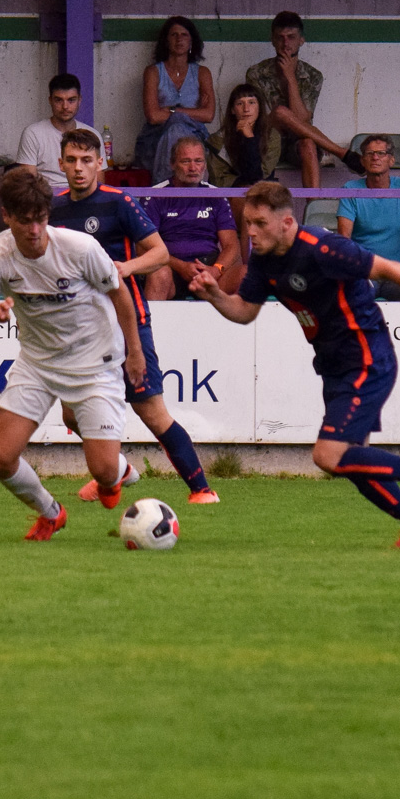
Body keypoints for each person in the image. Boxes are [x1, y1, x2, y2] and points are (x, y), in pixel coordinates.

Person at [189, 181, 400, 546]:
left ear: (286, 222)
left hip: (366, 358)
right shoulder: (265, 261)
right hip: (333, 366)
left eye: (260, 223)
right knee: (355, 460)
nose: (251, 231)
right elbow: (245, 311)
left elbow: (390, 269)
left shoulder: (323, 248)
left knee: (329, 455)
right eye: (248, 222)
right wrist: (215, 295)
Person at [0, 167, 146, 539]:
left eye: (40, 219)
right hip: (38, 364)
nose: (34, 230)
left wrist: (135, 352)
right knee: (1, 459)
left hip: (95, 363)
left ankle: (117, 471)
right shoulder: (0, 252)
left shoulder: (79, 248)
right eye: (24, 221)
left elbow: (120, 293)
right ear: (6, 216)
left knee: (103, 471)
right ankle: (51, 512)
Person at [52, 129, 219, 505]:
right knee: (72, 414)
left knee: (151, 411)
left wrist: (125, 268)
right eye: (72, 160)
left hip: (127, 322)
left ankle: (202, 489)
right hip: (80, 329)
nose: (79, 168)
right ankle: (118, 470)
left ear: (99, 163)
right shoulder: (55, 208)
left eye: (86, 160)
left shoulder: (119, 202)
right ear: (61, 164)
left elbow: (159, 253)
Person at [244, 11, 362, 187]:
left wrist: (290, 78)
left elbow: (301, 119)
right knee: (280, 112)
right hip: (267, 139)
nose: (285, 44)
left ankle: (313, 203)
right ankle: (341, 153)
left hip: (297, 142)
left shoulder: (312, 75)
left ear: (301, 40)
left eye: (291, 37)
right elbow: (263, 119)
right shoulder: (256, 73)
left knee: (308, 144)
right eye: (280, 37)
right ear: (273, 40)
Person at [145, 137, 242, 301]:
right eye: (185, 161)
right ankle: (151, 320)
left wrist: (216, 270)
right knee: (159, 273)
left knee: (245, 274)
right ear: (172, 164)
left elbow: (231, 245)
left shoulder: (216, 196)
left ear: (205, 164)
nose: (193, 168)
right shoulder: (155, 195)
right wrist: (181, 267)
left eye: (198, 161)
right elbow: (144, 248)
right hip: (170, 267)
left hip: (209, 269)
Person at [336, 134, 400, 301]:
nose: (375, 157)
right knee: (347, 296)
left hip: (397, 272)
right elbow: (345, 237)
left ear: (391, 160)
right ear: (362, 161)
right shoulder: (350, 189)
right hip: (364, 273)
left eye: (381, 153)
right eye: (369, 153)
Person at [135, 16, 216, 175]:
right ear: (166, 41)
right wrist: (194, 112)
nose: (179, 39)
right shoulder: (153, 72)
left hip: (194, 135)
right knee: (175, 130)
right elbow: (153, 116)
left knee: (179, 128)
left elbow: (208, 115)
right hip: (157, 138)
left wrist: (172, 110)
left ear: (191, 41)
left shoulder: (202, 73)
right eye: (174, 35)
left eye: (184, 35)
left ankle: (169, 184)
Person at [11, 73, 94, 189]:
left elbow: (98, 183)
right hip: (45, 196)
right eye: (59, 100)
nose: (65, 106)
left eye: (71, 100)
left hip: (82, 197)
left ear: (79, 100)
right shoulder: (33, 133)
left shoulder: (92, 135)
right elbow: (29, 184)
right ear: (50, 100)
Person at [206, 82, 282, 189]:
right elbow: (218, 179)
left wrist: (249, 138)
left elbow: (258, 177)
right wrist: (241, 185)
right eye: (240, 104)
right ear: (232, 110)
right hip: (229, 193)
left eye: (251, 102)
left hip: (262, 192)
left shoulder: (271, 136)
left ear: (259, 108)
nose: (246, 109)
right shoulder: (217, 139)